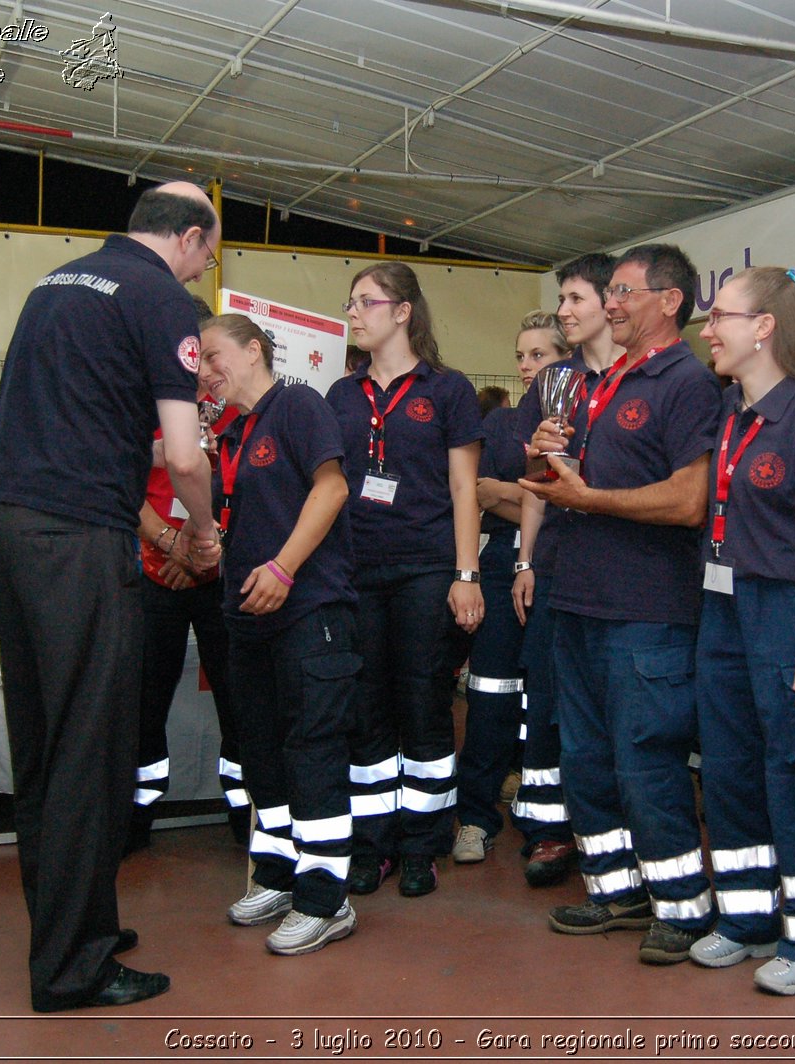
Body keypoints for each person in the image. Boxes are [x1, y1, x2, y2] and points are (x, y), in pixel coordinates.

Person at [0, 182, 222, 1012]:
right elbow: (185, 456)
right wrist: (204, 528)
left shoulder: (59, 282)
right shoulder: (160, 299)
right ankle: (73, 966)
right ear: (188, 239)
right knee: (92, 745)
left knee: (44, 739)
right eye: (207, 258)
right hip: (77, 537)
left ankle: (69, 922)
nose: (201, 275)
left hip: (7, 524)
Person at [521, 244, 722, 965]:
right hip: (575, 599)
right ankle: (615, 887)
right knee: (585, 757)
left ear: (669, 301)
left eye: (624, 293)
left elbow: (690, 498)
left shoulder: (687, 383)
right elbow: (555, 481)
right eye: (607, 293)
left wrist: (589, 497)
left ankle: (682, 904)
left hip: (647, 608)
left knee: (646, 758)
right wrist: (545, 457)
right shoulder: (587, 382)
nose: (610, 303)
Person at [689, 267, 795, 994]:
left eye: (721, 316)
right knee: (729, 767)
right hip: (723, 608)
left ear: (764, 326)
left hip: (790, 609)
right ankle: (749, 918)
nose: (708, 329)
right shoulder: (730, 410)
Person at [201, 314, 361, 956]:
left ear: (255, 350)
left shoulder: (296, 404)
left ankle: (327, 899)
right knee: (260, 749)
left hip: (310, 611)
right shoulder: (230, 432)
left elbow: (333, 487)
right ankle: (276, 873)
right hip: (248, 619)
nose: (206, 370)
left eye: (215, 356)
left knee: (312, 747)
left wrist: (283, 567)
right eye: (199, 363)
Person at [326, 261, 484, 899]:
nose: (354, 313)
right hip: (356, 571)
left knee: (422, 706)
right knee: (365, 710)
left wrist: (466, 574)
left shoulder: (448, 390)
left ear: (403, 312)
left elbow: (464, 487)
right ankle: (373, 846)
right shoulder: (341, 395)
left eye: (366, 301)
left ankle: (423, 844)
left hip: (425, 569)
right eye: (351, 302)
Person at [509, 253, 622, 888]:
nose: (565, 309)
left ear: (613, 301)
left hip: (622, 566)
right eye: (563, 299)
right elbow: (536, 478)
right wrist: (525, 558)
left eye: (576, 297)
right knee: (552, 703)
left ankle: (615, 832)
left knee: (615, 708)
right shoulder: (558, 383)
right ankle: (553, 831)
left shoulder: (646, 377)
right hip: (556, 562)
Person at [125, 298, 243, 857]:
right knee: (145, 697)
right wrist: (172, 544)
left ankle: (246, 808)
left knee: (236, 694)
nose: (196, 362)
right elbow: (124, 484)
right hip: (156, 570)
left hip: (221, 571)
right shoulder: (145, 400)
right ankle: (137, 810)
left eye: (205, 349)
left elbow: (248, 490)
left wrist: (205, 549)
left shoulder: (237, 407)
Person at [452, 310, 568, 866]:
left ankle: (542, 819)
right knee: (490, 692)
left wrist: (514, 492)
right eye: (521, 355)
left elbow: (538, 494)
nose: (526, 366)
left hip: (558, 567)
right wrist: (520, 493)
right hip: (500, 566)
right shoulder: (500, 424)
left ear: (566, 359)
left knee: (548, 699)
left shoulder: (581, 417)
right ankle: (475, 818)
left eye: (540, 355)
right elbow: (477, 491)